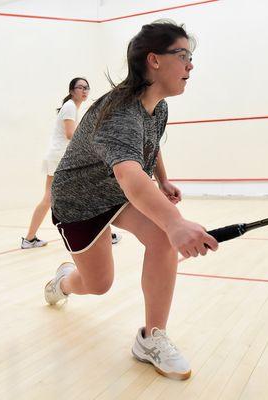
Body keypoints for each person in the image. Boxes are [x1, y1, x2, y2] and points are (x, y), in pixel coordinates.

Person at [44, 20, 218, 380]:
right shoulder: (119, 112)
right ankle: (63, 282)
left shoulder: (158, 107)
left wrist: (165, 182)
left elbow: (147, 148)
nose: (191, 65)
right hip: (79, 201)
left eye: (191, 56)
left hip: (116, 193)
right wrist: (175, 222)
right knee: (98, 284)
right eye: (183, 55)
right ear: (154, 60)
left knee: (159, 238)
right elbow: (128, 173)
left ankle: (151, 337)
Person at [21, 78, 122, 249]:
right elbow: (70, 134)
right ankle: (29, 239)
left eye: (87, 88)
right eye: (80, 87)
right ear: (71, 90)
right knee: (59, 196)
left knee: (58, 196)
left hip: (60, 157)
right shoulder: (69, 107)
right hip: (61, 158)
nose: (84, 90)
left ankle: (29, 239)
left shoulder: (71, 107)